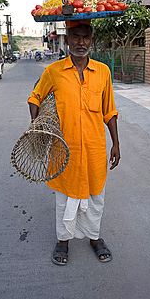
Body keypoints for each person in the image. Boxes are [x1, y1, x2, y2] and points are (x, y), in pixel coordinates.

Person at [28, 19, 120, 265]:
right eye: (76, 36)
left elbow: (109, 111)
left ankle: (94, 237)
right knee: (65, 197)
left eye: (86, 37)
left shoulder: (102, 72)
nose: (81, 42)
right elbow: (34, 98)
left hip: (95, 150)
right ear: (66, 39)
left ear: (92, 40)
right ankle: (63, 240)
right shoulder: (53, 72)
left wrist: (116, 144)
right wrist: (38, 128)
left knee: (95, 196)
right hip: (63, 151)